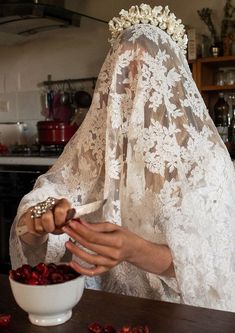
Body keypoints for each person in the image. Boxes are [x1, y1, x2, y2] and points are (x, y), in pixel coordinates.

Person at [10, 3, 235, 312]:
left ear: (171, 83)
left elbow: (214, 262)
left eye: (146, 75)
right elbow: (44, 204)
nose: (134, 89)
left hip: (179, 315)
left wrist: (136, 250)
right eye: (123, 75)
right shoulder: (96, 152)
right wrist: (39, 220)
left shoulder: (208, 161)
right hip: (102, 308)